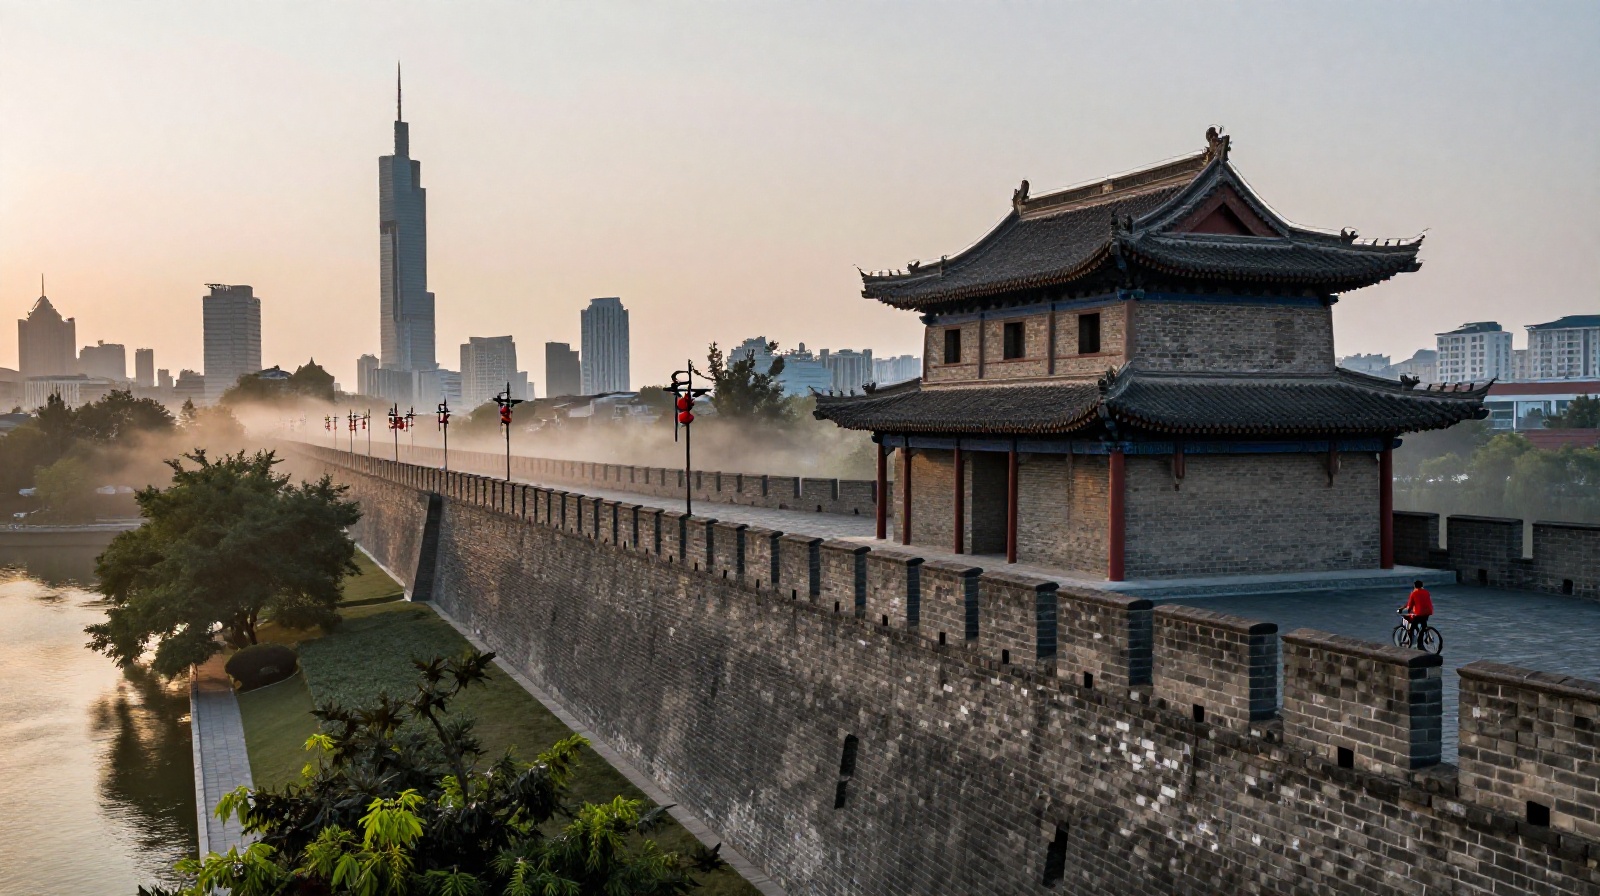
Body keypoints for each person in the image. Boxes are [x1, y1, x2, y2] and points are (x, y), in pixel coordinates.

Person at [1399, 580, 1433, 645]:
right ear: (1422, 585)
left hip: (1419, 613)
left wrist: (1404, 609)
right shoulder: (1426, 592)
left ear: (1414, 586)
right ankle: (1421, 642)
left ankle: (1409, 641)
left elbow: (1409, 605)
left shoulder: (1414, 593)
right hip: (1428, 611)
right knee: (1423, 626)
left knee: (1411, 628)